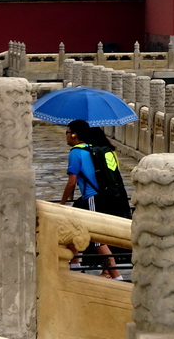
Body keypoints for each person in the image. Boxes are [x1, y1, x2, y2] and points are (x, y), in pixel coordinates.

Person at [59, 119, 123, 280]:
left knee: (96, 240)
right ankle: (75, 267)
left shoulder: (76, 152)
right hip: (102, 197)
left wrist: (62, 202)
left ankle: (117, 276)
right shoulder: (92, 149)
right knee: (74, 231)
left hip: (92, 198)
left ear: (74, 134)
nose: (66, 136)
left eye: (67, 132)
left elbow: (72, 181)